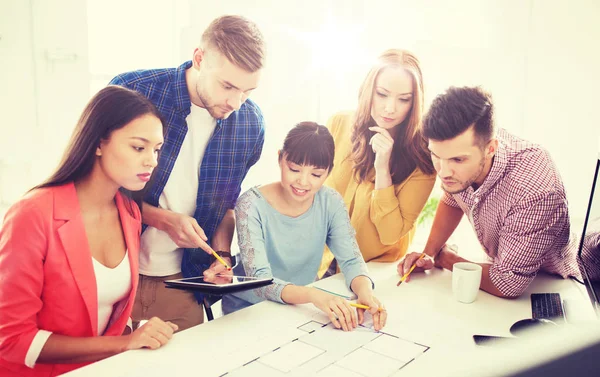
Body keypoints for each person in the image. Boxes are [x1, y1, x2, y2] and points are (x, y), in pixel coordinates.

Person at [0, 86, 177, 377]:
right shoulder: (32, 215)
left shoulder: (129, 212)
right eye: (138, 147)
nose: (152, 161)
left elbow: (108, 311)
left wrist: (138, 331)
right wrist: (123, 344)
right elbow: (13, 340)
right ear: (98, 143)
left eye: (157, 150)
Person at [109, 15, 266, 331]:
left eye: (248, 91)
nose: (236, 102)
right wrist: (164, 219)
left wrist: (221, 257)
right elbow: (93, 189)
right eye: (227, 85)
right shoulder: (132, 92)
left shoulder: (250, 124)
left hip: (184, 282)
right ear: (199, 58)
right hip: (113, 272)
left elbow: (227, 206)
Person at [397, 86, 581, 298]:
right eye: (436, 156)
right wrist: (427, 253)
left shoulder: (536, 193)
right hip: (500, 265)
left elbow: (507, 284)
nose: (443, 171)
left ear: (491, 148)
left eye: (458, 159)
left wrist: (446, 258)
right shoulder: (464, 156)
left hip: (551, 284)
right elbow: (453, 197)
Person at [220, 122, 387, 332]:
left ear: (328, 172)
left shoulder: (331, 202)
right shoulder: (251, 204)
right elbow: (259, 282)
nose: (303, 182)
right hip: (249, 309)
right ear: (280, 158)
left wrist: (365, 294)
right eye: (294, 169)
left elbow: (351, 259)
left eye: (316, 175)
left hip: (300, 309)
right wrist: (313, 296)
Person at [318, 49, 436, 278]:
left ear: (415, 102)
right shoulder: (338, 124)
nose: (390, 108)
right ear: (368, 89)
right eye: (382, 94)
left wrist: (383, 169)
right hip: (319, 263)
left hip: (373, 272)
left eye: (403, 99)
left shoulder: (423, 159)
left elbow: (390, 234)